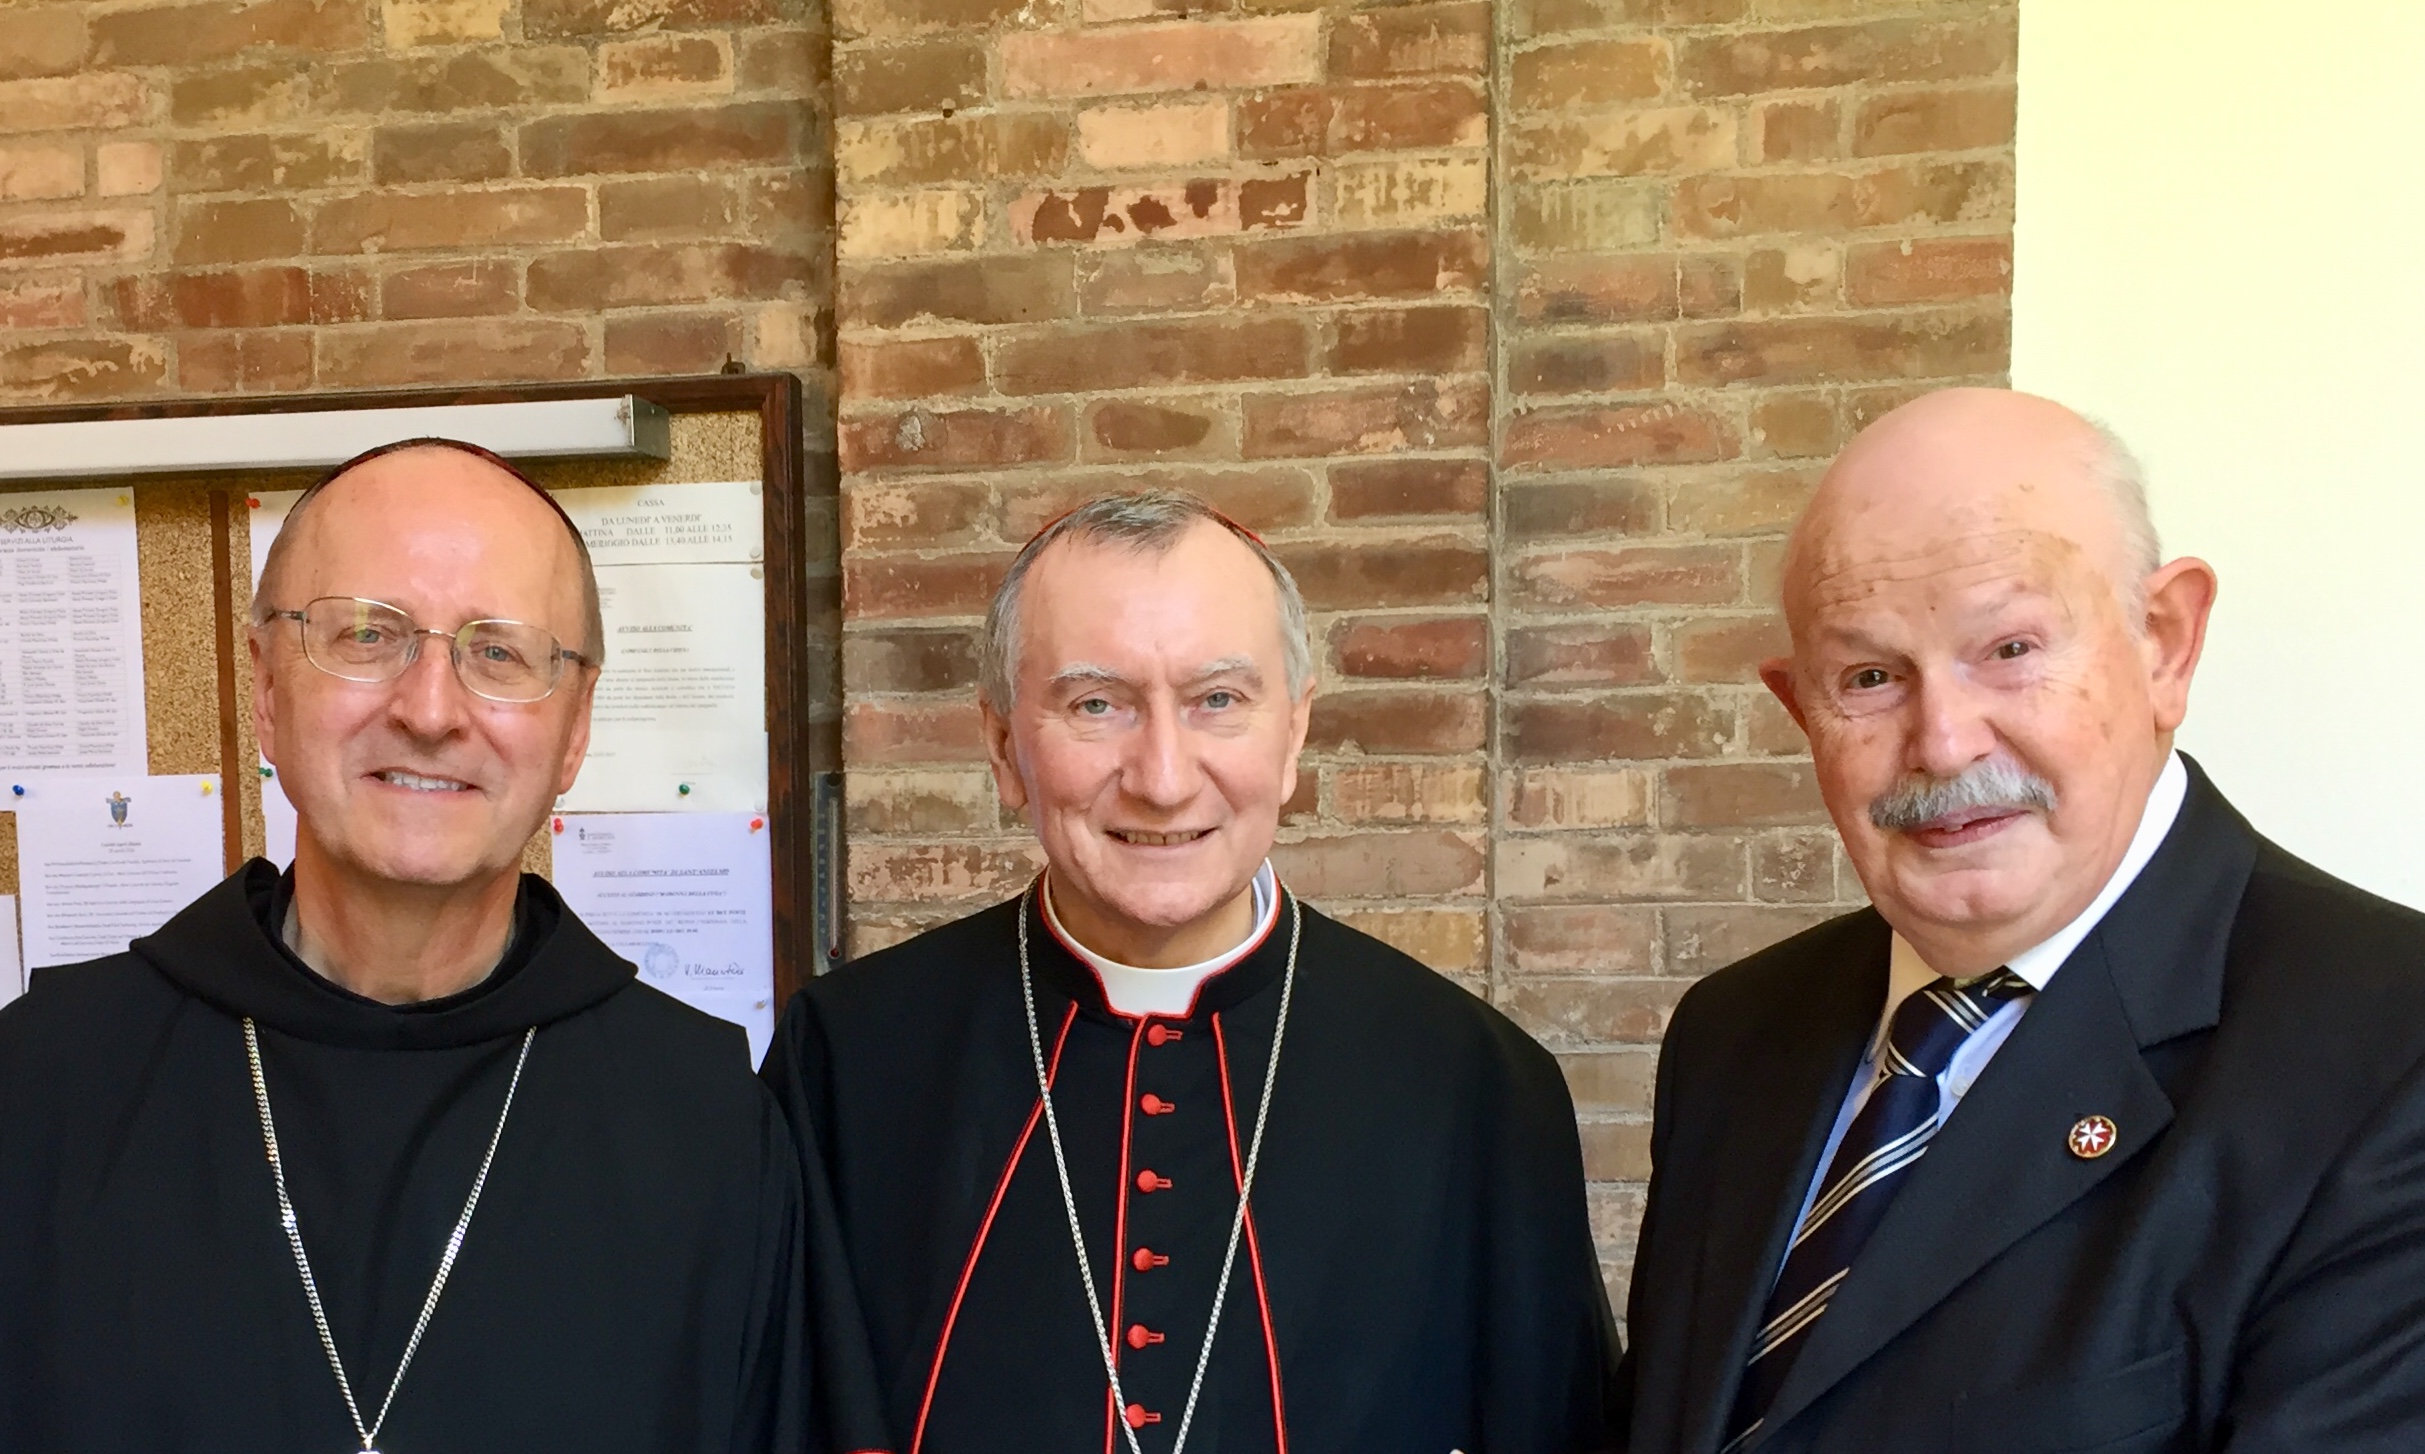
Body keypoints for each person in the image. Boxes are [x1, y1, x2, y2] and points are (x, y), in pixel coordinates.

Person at [1616, 388, 2425, 1453]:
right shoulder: (1734, 1033)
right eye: (1868, 676)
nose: (1943, 741)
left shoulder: (2387, 1050)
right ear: (1798, 706)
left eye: (2008, 648)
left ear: (2165, 644)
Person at [764, 490, 1619, 1454]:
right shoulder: (849, 1058)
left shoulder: (1475, 1082)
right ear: (1005, 749)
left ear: (1293, 736)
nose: (1162, 778)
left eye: (1218, 700)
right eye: (1097, 705)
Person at [0, 439, 803, 1452]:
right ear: (266, 684)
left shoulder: (710, 1123)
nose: (429, 709)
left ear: (574, 728)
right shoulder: (41, 1083)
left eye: (499, 652)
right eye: (369, 635)